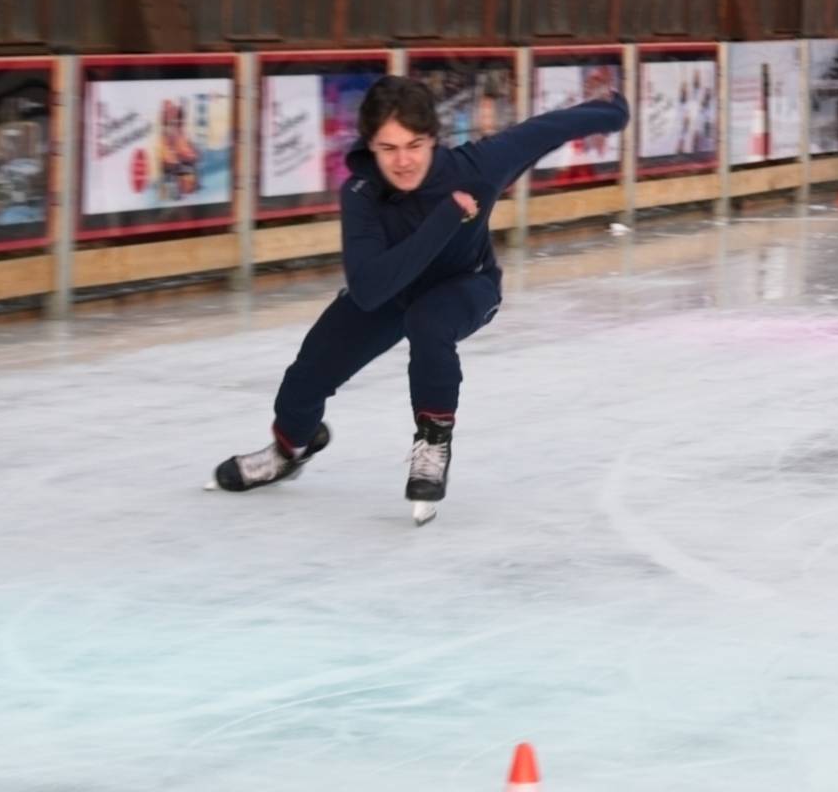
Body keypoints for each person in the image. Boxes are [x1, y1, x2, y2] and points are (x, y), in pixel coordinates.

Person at [213, 78, 630, 520]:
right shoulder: (362, 195)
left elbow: (543, 131)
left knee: (428, 323)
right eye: (388, 148)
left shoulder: (476, 167)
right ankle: (287, 450)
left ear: (433, 138)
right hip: (388, 291)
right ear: (370, 146)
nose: (404, 161)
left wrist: (613, 113)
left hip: (465, 285)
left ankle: (432, 441)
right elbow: (371, 289)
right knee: (307, 374)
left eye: (414, 144)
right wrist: (447, 216)